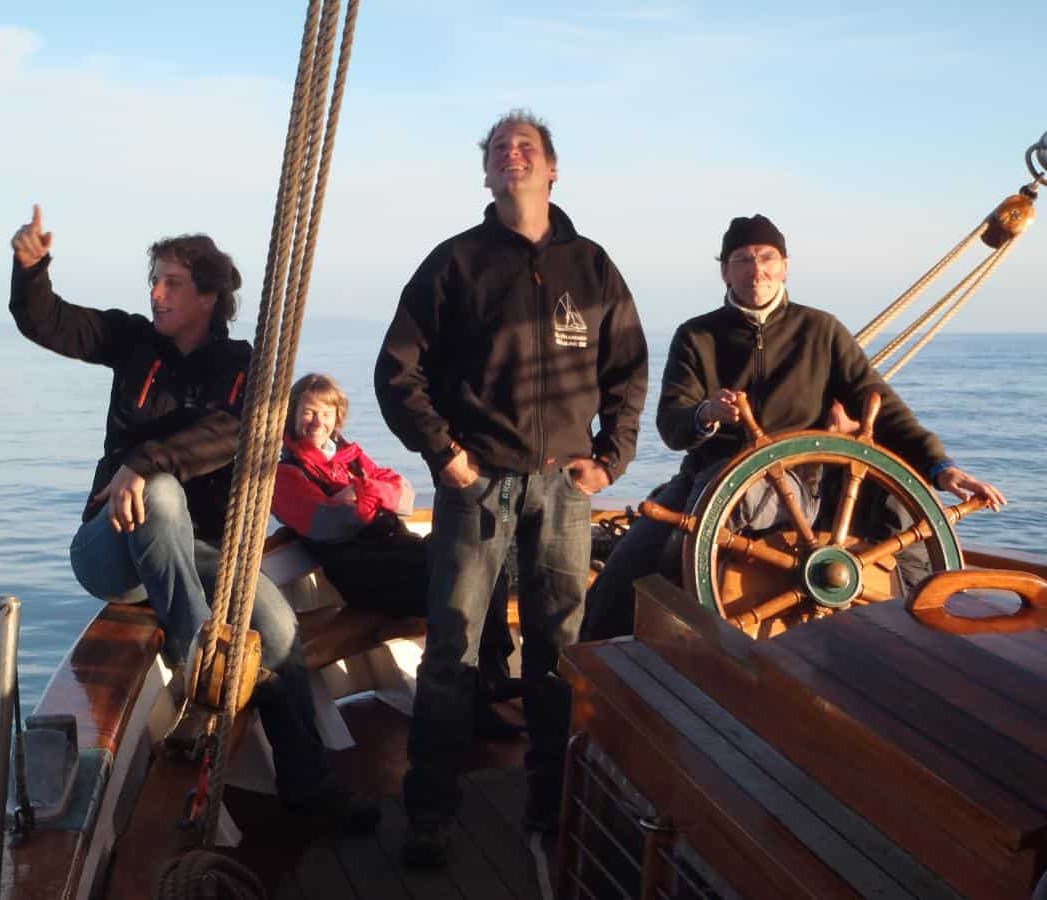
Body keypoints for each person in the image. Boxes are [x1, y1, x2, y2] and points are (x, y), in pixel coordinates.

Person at [8, 205, 379, 832]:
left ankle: (309, 788)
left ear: (208, 296)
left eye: (172, 282)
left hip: (194, 552)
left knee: (280, 631)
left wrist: (145, 460)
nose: (156, 294)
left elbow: (232, 433)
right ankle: (195, 654)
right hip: (110, 549)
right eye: (154, 280)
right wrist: (31, 270)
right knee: (159, 496)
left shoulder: (245, 367)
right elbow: (49, 321)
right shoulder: (132, 342)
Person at [374, 110, 649, 865]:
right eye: (499, 148)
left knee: (559, 650)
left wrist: (612, 458)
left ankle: (550, 805)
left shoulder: (591, 267)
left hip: (564, 487)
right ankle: (430, 813)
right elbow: (398, 370)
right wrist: (443, 454)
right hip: (477, 482)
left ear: (552, 169)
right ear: (487, 172)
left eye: (526, 146)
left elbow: (628, 369)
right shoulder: (455, 262)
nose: (512, 154)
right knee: (452, 649)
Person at [582, 213, 1006, 641]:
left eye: (767, 257)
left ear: (785, 266)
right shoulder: (697, 336)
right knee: (622, 577)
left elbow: (886, 410)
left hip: (804, 485)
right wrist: (705, 414)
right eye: (743, 259)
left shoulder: (822, 331)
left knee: (902, 521)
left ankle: (921, 640)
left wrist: (940, 468)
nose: (757, 269)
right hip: (709, 480)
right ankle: (593, 665)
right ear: (725, 271)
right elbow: (673, 426)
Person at [270, 373, 524, 737]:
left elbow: (404, 495)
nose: (317, 422)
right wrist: (371, 495)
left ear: (337, 418)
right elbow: (330, 524)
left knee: (484, 559)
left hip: (397, 552)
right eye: (308, 412)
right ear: (292, 414)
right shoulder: (285, 474)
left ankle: (492, 675)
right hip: (365, 573)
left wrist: (359, 493)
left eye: (326, 413)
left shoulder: (349, 455)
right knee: (460, 580)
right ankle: (468, 703)